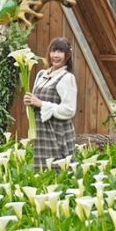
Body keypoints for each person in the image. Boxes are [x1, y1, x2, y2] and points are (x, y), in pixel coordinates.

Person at [23, 37, 78, 170]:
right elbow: (36, 101)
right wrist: (29, 100)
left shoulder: (67, 78)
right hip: (42, 134)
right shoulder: (42, 74)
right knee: (42, 172)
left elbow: (69, 110)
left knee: (59, 172)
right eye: (53, 51)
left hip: (57, 135)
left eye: (60, 52)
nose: (56, 55)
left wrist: (41, 104)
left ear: (67, 55)